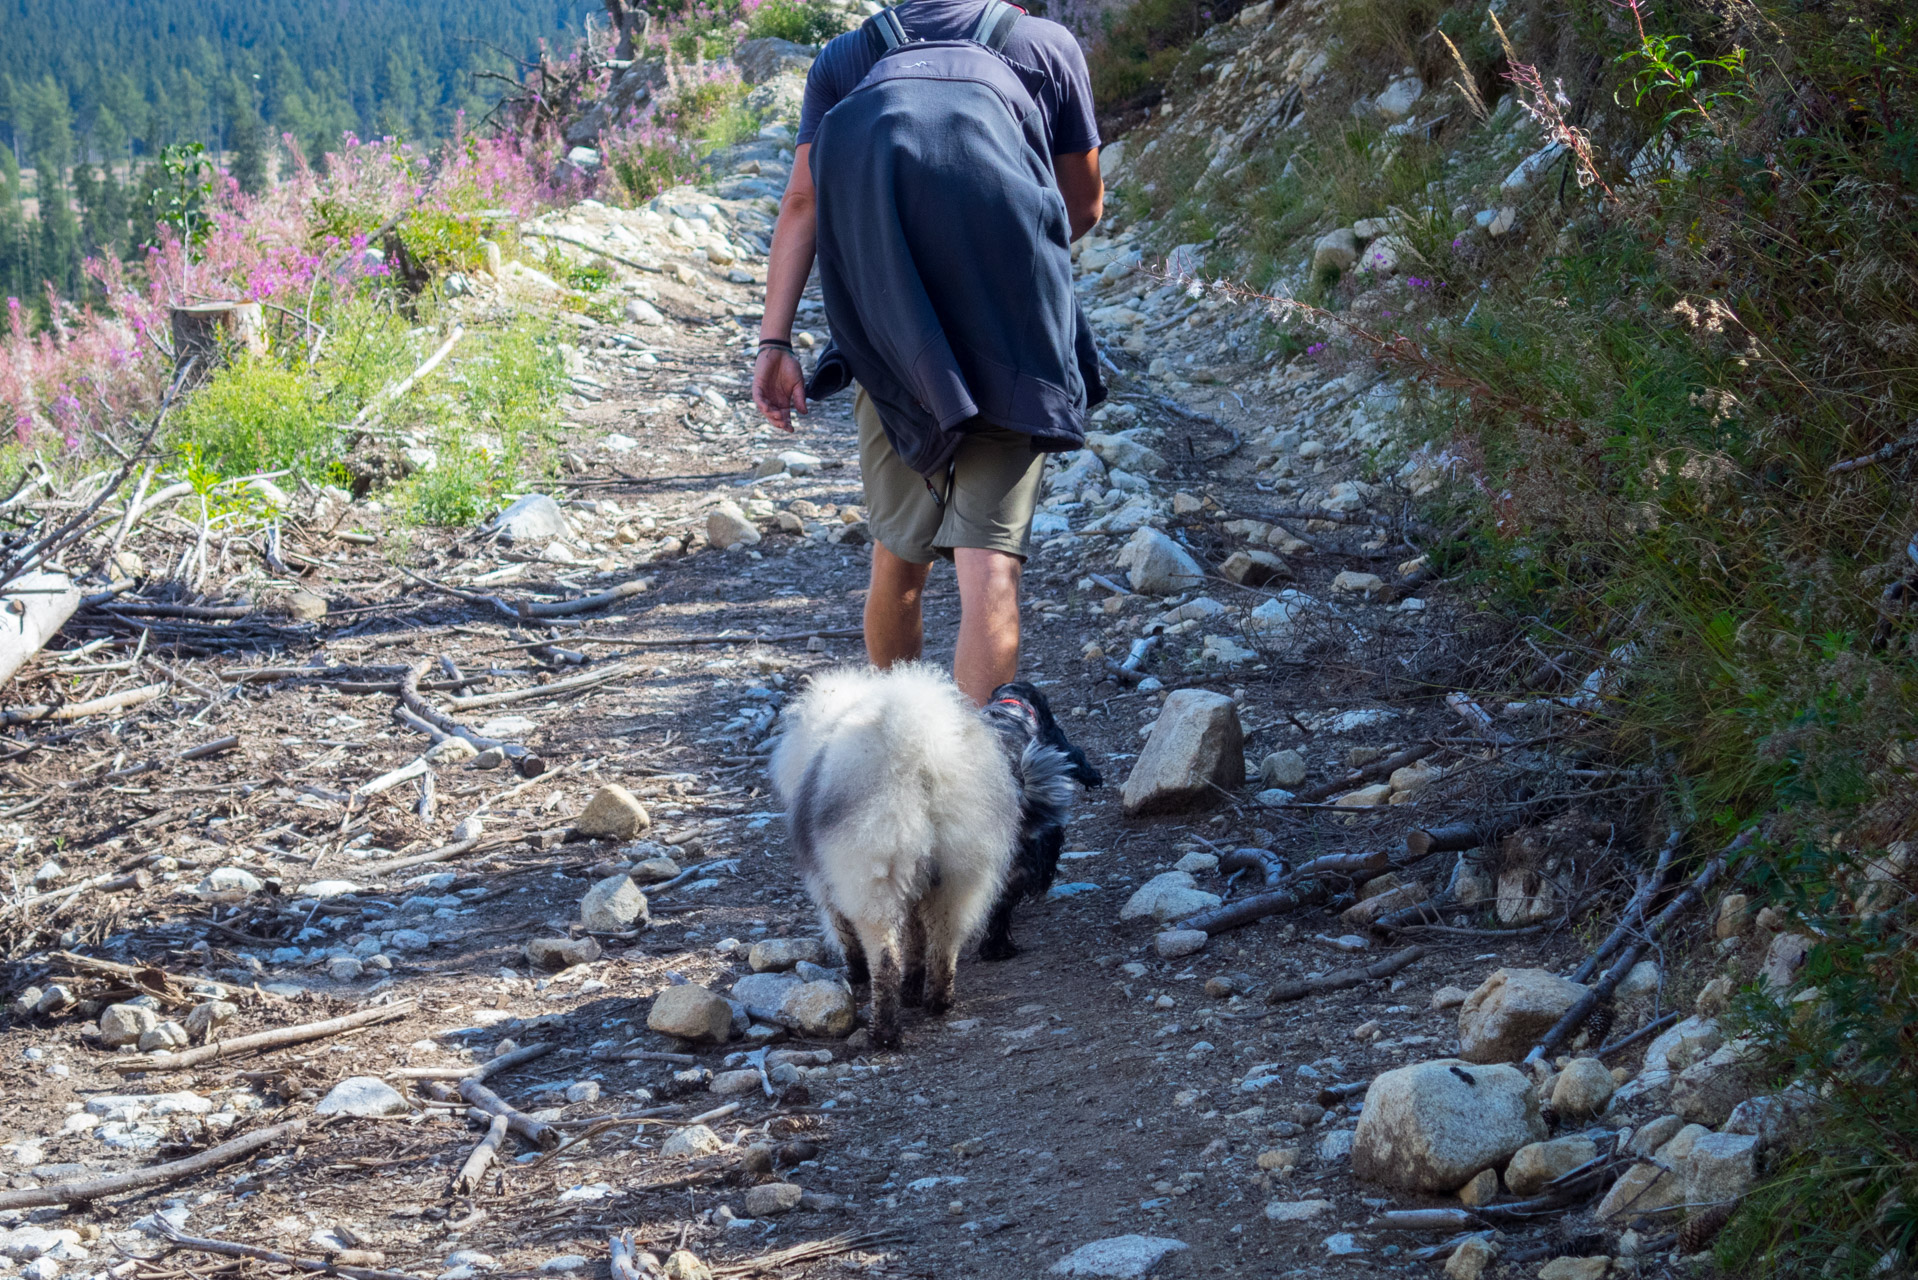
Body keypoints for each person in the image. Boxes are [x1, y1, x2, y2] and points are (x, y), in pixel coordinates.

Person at [749, 0, 1105, 706]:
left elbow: (802, 205)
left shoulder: (847, 59)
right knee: (991, 570)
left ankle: (899, 755)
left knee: (900, 562)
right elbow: (1082, 205)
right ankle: (973, 776)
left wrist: (776, 341)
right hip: (1014, 336)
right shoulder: (1045, 46)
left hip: (892, 339)